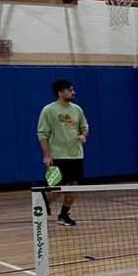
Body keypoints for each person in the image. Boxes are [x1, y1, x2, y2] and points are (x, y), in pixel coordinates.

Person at [36, 79, 89, 226]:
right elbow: (42, 134)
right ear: (61, 93)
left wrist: (83, 135)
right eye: (70, 90)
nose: (74, 92)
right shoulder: (48, 110)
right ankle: (40, 203)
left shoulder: (77, 109)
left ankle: (64, 215)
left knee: (74, 186)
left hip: (76, 155)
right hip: (58, 156)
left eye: (72, 90)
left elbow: (85, 127)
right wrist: (46, 155)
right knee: (57, 188)